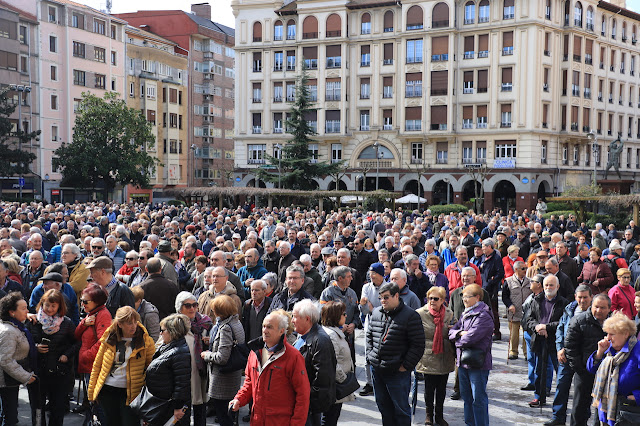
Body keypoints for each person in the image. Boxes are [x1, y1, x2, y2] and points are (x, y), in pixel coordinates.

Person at [229, 311, 310, 425]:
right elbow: (249, 383)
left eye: (270, 327)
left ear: (281, 331)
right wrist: (239, 399)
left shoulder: (294, 357)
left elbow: (303, 395)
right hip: (257, 420)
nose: (265, 330)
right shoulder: (254, 352)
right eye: (264, 326)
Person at [366, 282, 425, 426]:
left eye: (386, 297)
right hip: (377, 369)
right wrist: (370, 356)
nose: (383, 301)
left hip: (397, 371)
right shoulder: (376, 312)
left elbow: (418, 345)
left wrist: (405, 366)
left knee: (401, 410)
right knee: (384, 407)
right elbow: (369, 336)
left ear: (396, 296)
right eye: (381, 298)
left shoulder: (411, 316)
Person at [87, 306, 156, 426]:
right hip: (108, 391)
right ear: (119, 324)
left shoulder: (145, 340)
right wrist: (91, 393)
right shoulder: (109, 338)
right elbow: (97, 366)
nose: (133, 326)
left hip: (132, 393)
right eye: (129, 323)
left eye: (135, 322)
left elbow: (153, 368)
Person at [544, 284, 593, 426]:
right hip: (566, 355)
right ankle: (558, 417)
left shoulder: (594, 312)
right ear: (575, 297)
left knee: (583, 391)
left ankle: (582, 418)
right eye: (580, 297)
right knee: (561, 385)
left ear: (591, 297)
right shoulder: (569, 309)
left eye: (585, 297)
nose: (582, 301)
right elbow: (560, 329)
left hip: (583, 358)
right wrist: (560, 348)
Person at [29, 289, 76, 426]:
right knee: (38, 408)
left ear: (59, 306)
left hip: (59, 372)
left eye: (53, 306)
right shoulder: (33, 321)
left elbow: (77, 342)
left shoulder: (66, 323)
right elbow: (24, 343)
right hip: (37, 372)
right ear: (42, 304)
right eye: (47, 305)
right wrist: (35, 347)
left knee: (57, 408)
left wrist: (66, 355)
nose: (49, 309)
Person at [448, 283, 493, 426]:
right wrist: (460, 333)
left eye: (467, 297)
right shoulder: (466, 313)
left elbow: (470, 338)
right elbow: (452, 331)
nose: (464, 300)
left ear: (477, 297)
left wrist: (457, 339)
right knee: (467, 398)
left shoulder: (483, 315)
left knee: (478, 399)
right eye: (463, 297)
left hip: (478, 364)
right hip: (463, 362)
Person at [563, 293, 611, 426]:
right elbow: (570, 347)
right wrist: (580, 369)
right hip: (583, 371)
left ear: (609, 308)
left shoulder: (614, 323)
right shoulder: (579, 321)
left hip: (606, 374)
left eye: (602, 308)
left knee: (602, 410)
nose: (599, 310)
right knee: (580, 408)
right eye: (596, 307)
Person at [587, 312, 640, 426]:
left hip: (629, 412)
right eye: (607, 333)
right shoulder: (609, 350)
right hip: (606, 410)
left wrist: (636, 396)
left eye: (612, 334)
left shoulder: (637, 351)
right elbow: (591, 369)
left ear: (625, 334)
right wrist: (599, 352)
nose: (608, 338)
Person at [201, 295, 245, 426]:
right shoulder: (236, 322)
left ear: (220, 311)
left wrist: (206, 355)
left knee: (224, 416)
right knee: (229, 415)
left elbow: (222, 357)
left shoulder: (225, 327)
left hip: (223, 379)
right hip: (233, 376)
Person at [526, 275, 569, 407]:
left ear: (557, 287)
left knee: (561, 372)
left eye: (551, 285)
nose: (548, 288)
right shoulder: (536, 300)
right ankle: (539, 397)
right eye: (546, 285)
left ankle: (561, 402)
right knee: (539, 371)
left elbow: (564, 322)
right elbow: (528, 319)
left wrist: (547, 327)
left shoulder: (564, 303)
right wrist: (538, 327)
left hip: (556, 341)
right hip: (540, 339)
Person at [292, 299, 336, 426]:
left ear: (307, 319)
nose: (292, 320)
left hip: (308, 406)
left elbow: (322, 379)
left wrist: (307, 402)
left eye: (295, 317)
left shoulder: (320, 341)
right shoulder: (302, 335)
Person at [416, 286, 455, 426]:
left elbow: (455, 330)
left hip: (444, 355)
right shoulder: (420, 313)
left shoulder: (449, 314)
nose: (432, 301)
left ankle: (439, 416)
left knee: (442, 389)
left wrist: (454, 330)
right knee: (429, 388)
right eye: (430, 298)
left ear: (443, 300)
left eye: (436, 299)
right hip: (428, 356)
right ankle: (428, 416)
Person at [74, 283, 111, 423]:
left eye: (85, 301)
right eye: (81, 300)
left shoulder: (102, 315)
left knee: (97, 404)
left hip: (93, 366)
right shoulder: (92, 314)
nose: (82, 304)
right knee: (92, 405)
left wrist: (85, 355)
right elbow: (76, 335)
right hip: (88, 365)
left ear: (97, 301)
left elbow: (103, 342)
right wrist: (84, 323)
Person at [175, 291, 212, 426]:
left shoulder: (205, 323)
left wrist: (210, 342)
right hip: (183, 372)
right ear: (179, 308)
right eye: (187, 306)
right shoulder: (174, 325)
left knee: (200, 403)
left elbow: (214, 344)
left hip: (200, 369)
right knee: (183, 407)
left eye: (194, 305)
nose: (192, 309)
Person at [148, 313, 192, 425]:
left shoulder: (179, 352)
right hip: (163, 404)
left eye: (163, 330)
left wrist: (178, 407)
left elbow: (182, 384)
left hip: (171, 407)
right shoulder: (168, 346)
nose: (160, 333)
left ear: (172, 332)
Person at [0, 292, 37, 426]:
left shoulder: (16, 327)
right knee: (10, 417)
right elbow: (5, 361)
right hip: (6, 381)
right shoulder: (9, 331)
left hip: (10, 379)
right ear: (12, 312)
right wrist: (26, 377)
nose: (27, 311)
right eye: (23, 308)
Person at [320, 301, 355, 426]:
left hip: (335, 385)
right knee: (329, 419)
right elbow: (331, 362)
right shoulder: (332, 336)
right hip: (335, 386)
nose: (346, 316)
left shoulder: (334, 332)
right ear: (335, 316)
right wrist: (344, 380)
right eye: (343, 314)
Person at [358, 262, 385, 396]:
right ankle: (369, 383)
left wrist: (372, 309)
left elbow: (385, 308)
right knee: (368, 354)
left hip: (384, 325)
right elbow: (363, 309)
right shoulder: (366, 287)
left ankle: (380, 382)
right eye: (370, 273)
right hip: (369, 324)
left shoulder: (388, 287)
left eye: (374, 273)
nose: (371, 276)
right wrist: (365, 306)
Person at [502, 260, 531, 360]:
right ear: (516, 269)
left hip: (526, 312)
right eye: (523, 269)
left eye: (526, 268)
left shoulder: (529, 281)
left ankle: (527, 352)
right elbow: (504, 296)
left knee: (526, 333)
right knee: (514, 333)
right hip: (514, 311)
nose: (525, 270)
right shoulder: (508, 281)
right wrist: (509, 305)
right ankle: (513, 351)